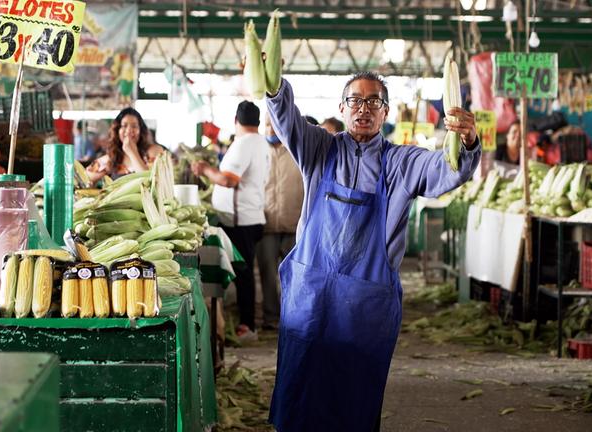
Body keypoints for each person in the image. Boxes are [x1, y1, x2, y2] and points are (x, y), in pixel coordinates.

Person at [266, 70, 480, 431]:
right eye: (355, 100)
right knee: (299, 390)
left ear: (385, 112)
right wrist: (272, 85)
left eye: (373, 102)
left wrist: (469, 141)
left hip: (364, 308)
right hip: (310, 298)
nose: (363, 109)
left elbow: (446, 168)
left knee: (353, 399)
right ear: (342, 107)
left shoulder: (402, 163)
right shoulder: (318, 148)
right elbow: (286, 120)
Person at [191, 101, 270, 341]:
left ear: (236, 121)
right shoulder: (260, 142)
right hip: (250, 215)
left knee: (243, 272)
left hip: (240, 219)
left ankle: (247, 326)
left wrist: (204, 169)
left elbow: (228, 180)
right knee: (244, 270)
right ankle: (246, 322)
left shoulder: (244, 144)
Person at [255, 113, 304, 331]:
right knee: (267, 273)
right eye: (267, 125)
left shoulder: (298, 150)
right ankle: (271, 317)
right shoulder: (256, 151)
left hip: (294, 224)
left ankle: (293, 317)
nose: (271, 129)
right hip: (266, 226)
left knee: (294, 275)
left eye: (275, 124)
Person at [86, 108, 164, 182]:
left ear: (141, 130)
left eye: (134, 126)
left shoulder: (153, 151)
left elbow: (150, 183)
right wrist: (93, 179)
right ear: (117, 130)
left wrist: (132, 152)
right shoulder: (111, 158)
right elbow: (86, 178)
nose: (129, 130)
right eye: (124, 126)